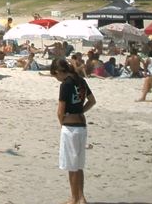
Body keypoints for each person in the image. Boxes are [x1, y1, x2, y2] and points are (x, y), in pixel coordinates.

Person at [50, 57, 96, 204]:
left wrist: (62, 123)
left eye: (55, 75)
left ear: (58, 71)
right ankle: (81, 197)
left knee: (71, 165)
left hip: (70, 128)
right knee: (79, 165)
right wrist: (80, 111)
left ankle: (74, 198)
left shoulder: (66, 85)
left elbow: (60, 111)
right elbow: (92, 101)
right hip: (82, 125)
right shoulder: (80, 80)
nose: (56, 79)